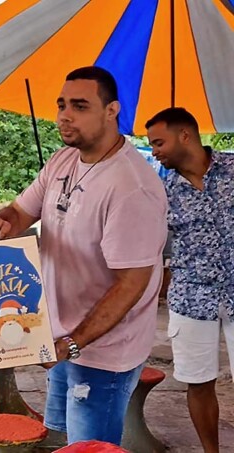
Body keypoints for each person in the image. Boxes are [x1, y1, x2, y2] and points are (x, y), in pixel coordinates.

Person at [0, 67, 168, 445]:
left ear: (112, 110)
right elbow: (20, 211)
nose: (65, 115)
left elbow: (132, 284)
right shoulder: (63, 161)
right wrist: (0, 223)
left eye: (80, 106)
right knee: (63, 436)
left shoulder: (131, 188)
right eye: (62, 104)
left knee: (88, 447)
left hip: (103, 352)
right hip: (60, 336)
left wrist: (72, 344)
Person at [146, 107, 234, 453]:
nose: (154, 151)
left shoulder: (232, 169)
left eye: (158, 142)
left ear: (185, 135)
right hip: (190, 298)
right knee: (198, 383)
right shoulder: (158, 191)